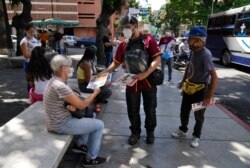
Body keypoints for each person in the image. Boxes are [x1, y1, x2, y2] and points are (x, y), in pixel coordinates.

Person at [101, 15, 161, 145]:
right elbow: (116, 63)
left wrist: (146, 73)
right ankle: (135, 132)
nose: (125, 30)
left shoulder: (148, 40)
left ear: (136, 25)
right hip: (131, 82)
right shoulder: (123, 45)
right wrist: (104, 73)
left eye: (128, 27)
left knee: (150, 109)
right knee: (132, 109)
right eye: (123, 28)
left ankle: (150, 132)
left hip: (149, 81)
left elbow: (157, 59)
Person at [43, 55, 106, 166]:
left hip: (57, 119)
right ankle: (90, 159)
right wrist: (95, 93)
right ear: (63, 68)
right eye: (69, 66)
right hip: (60, 124)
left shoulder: (54, 80)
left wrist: (74, 96)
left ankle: (80, 144)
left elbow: (66, 99)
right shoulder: (60, 86)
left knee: (92, 116)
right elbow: (82, 105)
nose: (71, 69)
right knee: (99, 125)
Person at [171, 26, 218, 148]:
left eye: (190, 39)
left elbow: (214, 76)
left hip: (200, 91)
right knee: (184, 111)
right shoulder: (194, 51)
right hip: (189, 88)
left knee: (198, 115)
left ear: (198, 41)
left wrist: (209, 96)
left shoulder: (205, 55)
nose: (188, 41)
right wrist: (183, 82)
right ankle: (183, 130)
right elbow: (188, 67)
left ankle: (196, 136)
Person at [76, 46, 112, 112]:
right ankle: (96, 102)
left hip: (87, 83)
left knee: (106, 84)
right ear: (92, 55)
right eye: (95, 53)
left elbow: (92, 75)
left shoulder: (86, 61)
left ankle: (99, 99)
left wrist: (101, 76)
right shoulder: (86, 64)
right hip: (84, 85)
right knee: (108, 92)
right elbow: (89, 81)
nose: (95, 55)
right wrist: (101, 81)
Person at [20, 24, 39, 92]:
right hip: (29, 64)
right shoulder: (24, 41)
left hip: (36, 63)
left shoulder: (35, 39)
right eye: (30, 31)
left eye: (33, 31)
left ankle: (36, 94)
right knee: (31, 82)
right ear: (26, 31)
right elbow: (26, 55)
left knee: (37, 80)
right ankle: (31, 96)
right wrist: (38, 54)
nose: (32, 33)